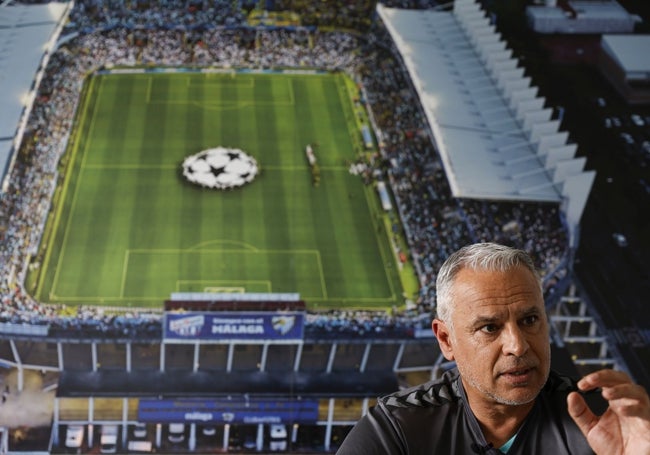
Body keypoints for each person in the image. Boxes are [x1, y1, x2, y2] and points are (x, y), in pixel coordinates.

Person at [336, 242, 650, 454]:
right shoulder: (398, 432)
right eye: (490, 327)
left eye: (529, 320)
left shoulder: (604, 424)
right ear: (446, 340)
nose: (517, 345)